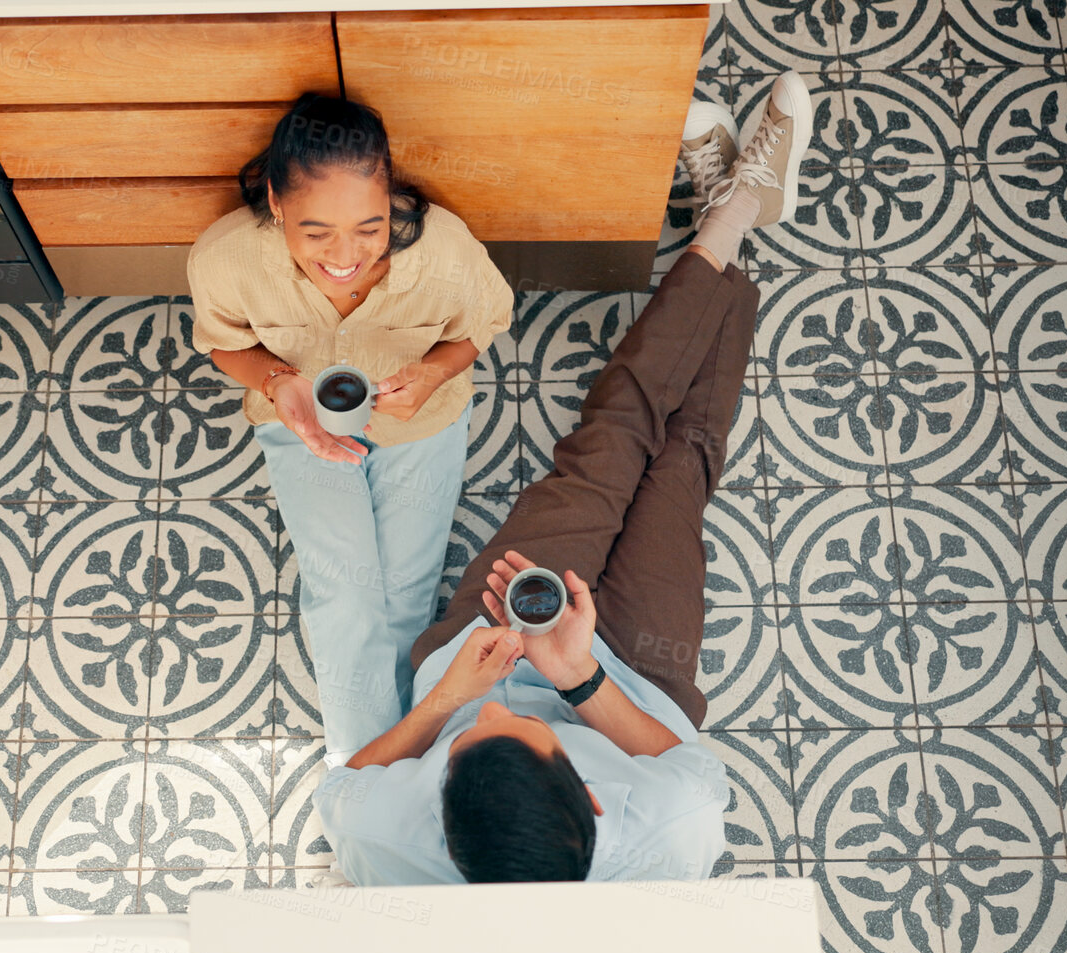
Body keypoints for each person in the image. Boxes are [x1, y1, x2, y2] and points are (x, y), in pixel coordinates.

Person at [311, 72, 814, 884]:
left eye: (480, 731)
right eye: (517, 725)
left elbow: (349, 786)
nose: (506, 705)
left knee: (610, 442)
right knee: (679, 463)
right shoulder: (672, 834)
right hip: (635, 688)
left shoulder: (385, 843)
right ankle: (742, 209)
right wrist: (577, 678)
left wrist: (448, 706)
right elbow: (689, 770)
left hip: (477, 651)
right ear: (595, 798)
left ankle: (732, 214)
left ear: (440, 808)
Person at [186, 95, 513, 765]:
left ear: (390, 194)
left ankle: (373, 770)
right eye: (316, 233)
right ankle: (373, 769)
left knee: (403, 598)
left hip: (420, 424)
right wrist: (278, 382)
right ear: (275, 202)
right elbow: (224, 346)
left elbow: (481, 326)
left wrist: (429, 374)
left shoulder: (444, 250)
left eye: (370, 227)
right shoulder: (224, 259)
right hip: (300, 428)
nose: (346, 256)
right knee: (345, 590)